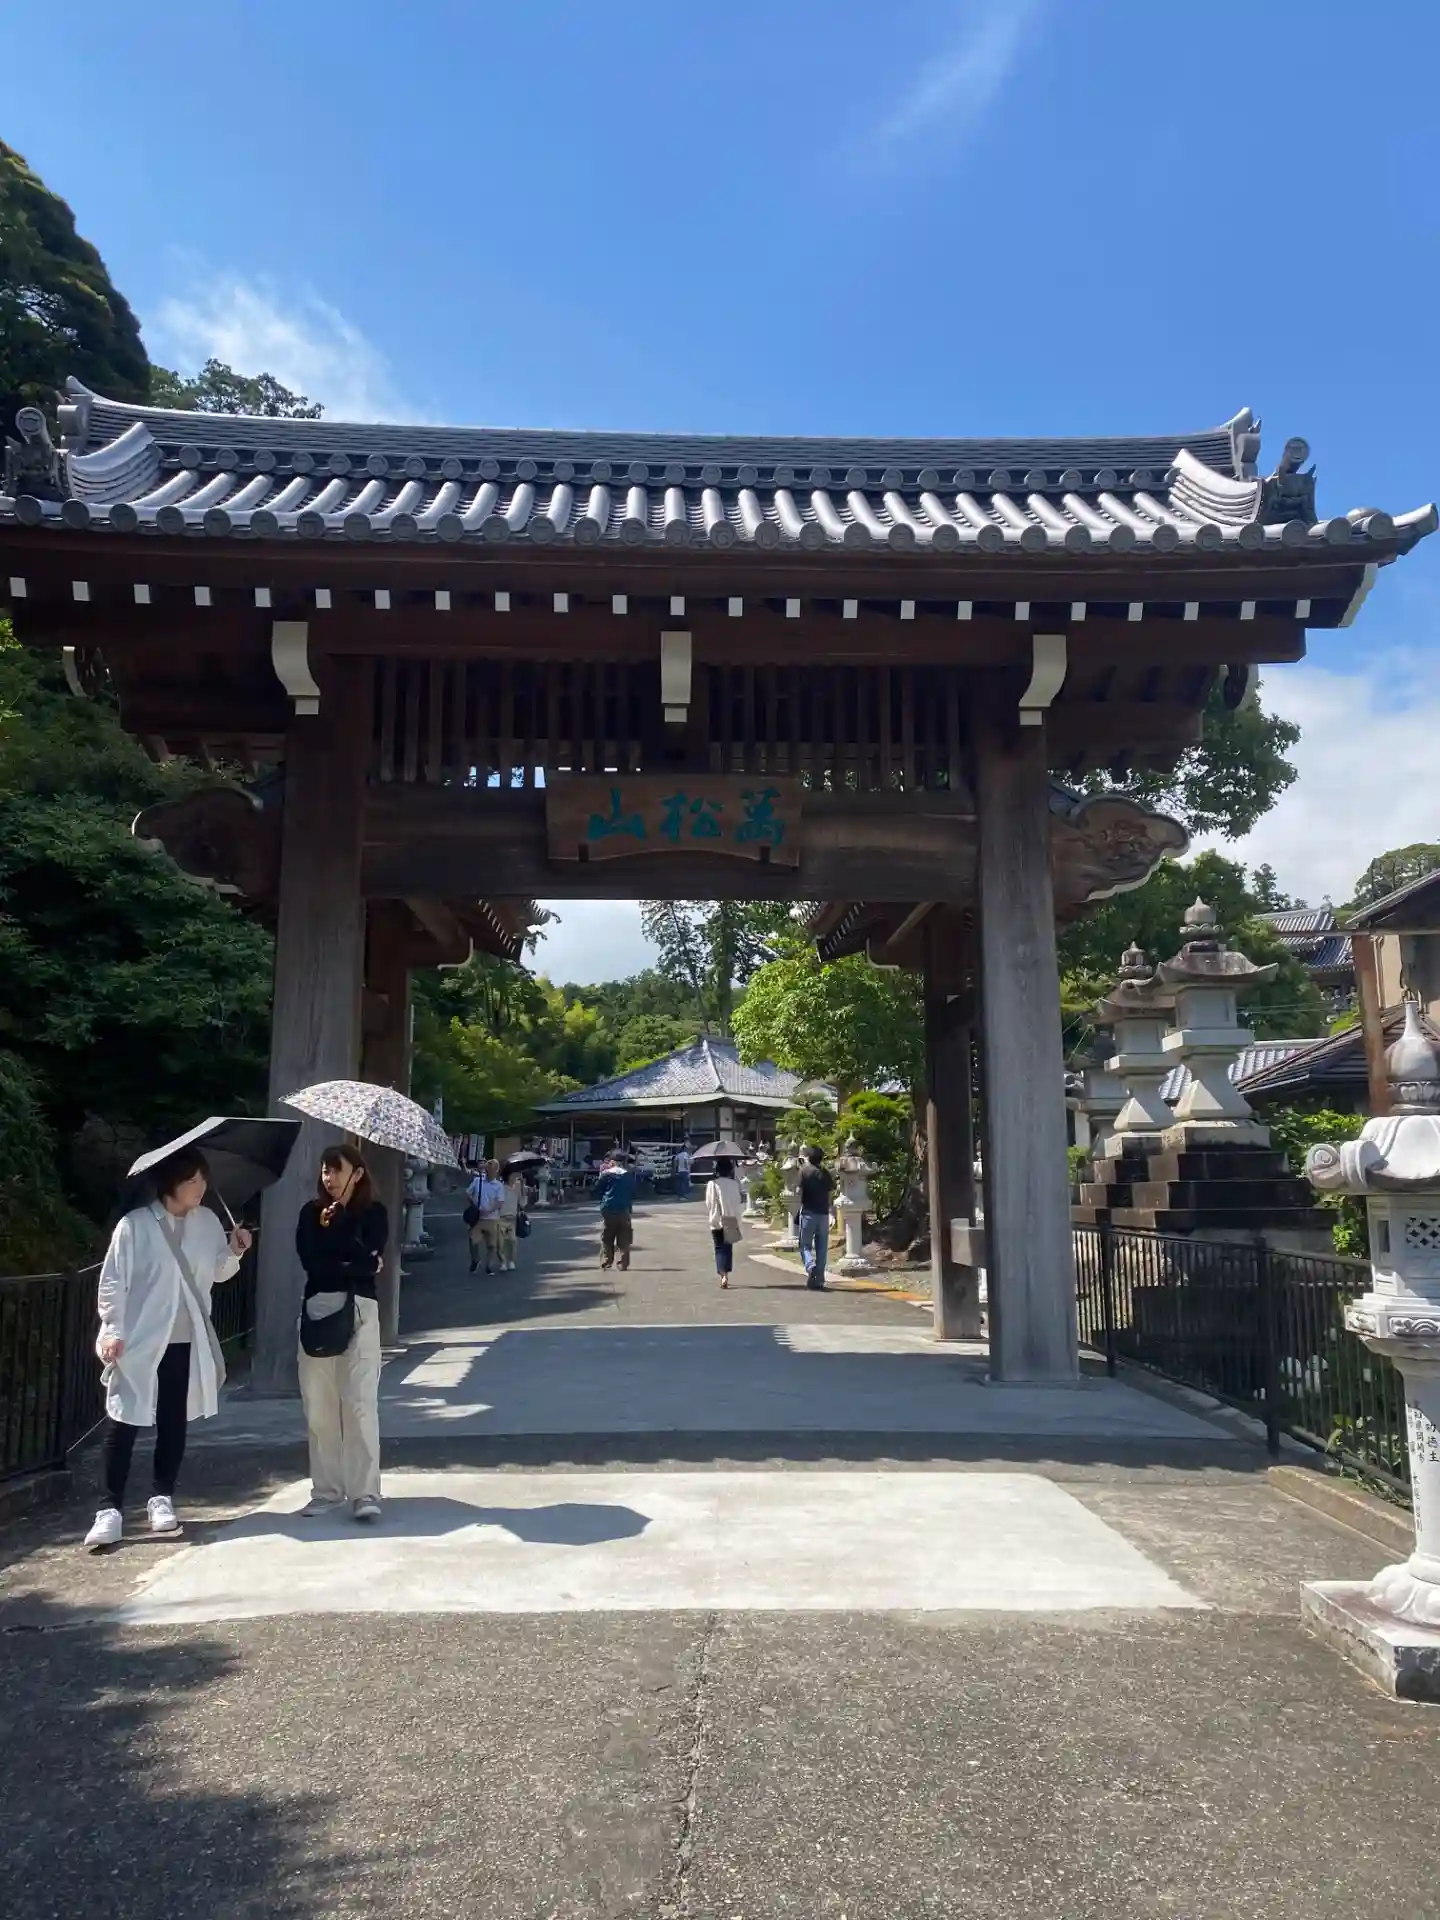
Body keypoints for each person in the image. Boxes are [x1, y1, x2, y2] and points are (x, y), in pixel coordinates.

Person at [85, 1147, 251, 1551]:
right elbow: (114, 1282)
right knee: (123, 1419)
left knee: (173, 1419)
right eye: (192, 1180)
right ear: (170, 1183)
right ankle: (109, 1508)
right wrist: (112, 1329)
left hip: (185, 1338)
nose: (200, 1187)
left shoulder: (207, 1222)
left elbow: (217, 1272)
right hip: (141, 1337)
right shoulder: (135, 1226)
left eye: (202, 1179)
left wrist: (235, 1250)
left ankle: (162, 1496)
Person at [296, 1145, 389, 1523]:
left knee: (360, 1401)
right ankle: (326, 1490)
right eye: (325, 1170)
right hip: (318, 1308)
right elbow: (312, 1263)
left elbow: (371, 1259)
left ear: (358, 1173)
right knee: (318, 1403)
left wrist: (343, 1228)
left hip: (361, 1309)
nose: (329, 1177)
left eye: (336, 1170)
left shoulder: (374, 1213)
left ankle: (365, 1491)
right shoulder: (310, 1213)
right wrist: (357, 1263)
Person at [797, 1146, 836, 1291]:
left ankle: (810, 1265)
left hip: (808, 1212)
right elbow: (830, 1193)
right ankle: (818, 1280)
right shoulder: (825, 1173)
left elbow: (798, 1191)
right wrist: (830, 1210)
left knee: (804, 1245)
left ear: (808, 1157)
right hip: (823, 1214)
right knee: (822, 1248)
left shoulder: (804, 1171)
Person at [705, 1157, 745, 1289]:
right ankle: (726, 1273)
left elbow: (709, 1203)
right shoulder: (734, 1184)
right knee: (728, 1247)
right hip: (730, 1219)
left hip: (716, 1219)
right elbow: (737, 1201)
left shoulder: (712, 1184)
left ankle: (723, 1275)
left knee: (719, 1247)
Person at [595, 1148, 636, 1271]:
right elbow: (632, 1192)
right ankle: (622, 1264)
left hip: (608, 1208)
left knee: (607, 1236)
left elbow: (598, 1190)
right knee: (624, 1237)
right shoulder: (628, 1175)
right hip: (624, 1209)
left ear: (612, 1162)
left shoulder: (606, 1175)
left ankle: (607, 1261)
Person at [466, 1159, 505, 1274]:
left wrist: (489, 1210)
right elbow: (467, 1193)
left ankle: (489, 1265)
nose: (489, 1171)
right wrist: (474, 1204)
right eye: (488, 1168)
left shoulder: (498, 1186)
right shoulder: (477, 1181)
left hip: (492, 1218)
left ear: (496, 1171)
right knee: (473, 1240)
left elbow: (500, 1202)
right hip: (478, 1218)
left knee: (492, 1245)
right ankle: (475, 1259)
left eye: (492, 1169)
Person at [496, 1166, 525, 1271]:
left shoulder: (518, 1187)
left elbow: (522, 1203)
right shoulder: (500, 1187)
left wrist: (522, 1189)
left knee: (512, 1241)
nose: (516, 1177)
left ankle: (511, 1260)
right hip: (501, 1218)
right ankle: (502, 1262)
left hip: (512, 1219)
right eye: (514, 1175)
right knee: (500, 1243)